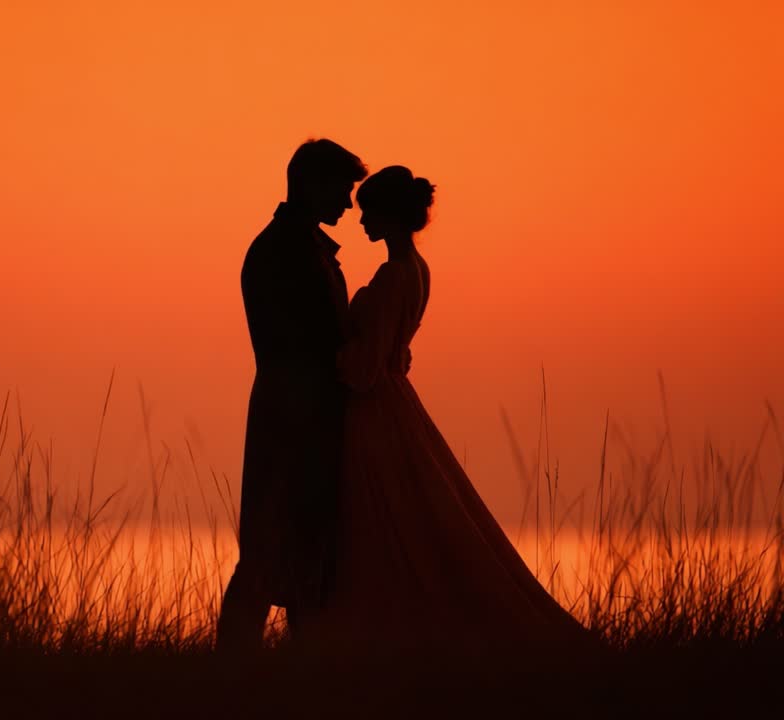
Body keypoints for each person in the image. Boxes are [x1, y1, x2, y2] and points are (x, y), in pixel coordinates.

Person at [327, 165, 595, 657]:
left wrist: (331, 355)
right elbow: (397, 351)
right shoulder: (417, 270)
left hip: (375, 410)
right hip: (398, 399)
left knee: (381, 520)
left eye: (368, 214)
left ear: (388, 216)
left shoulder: (390, 276)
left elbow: (366, 367)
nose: (361, 222)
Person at [215, 139, 367, 653]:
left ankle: (302, 664)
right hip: (291, 415)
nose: (348, 204)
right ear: (311, 185)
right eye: (342, 190)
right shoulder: (285, 249)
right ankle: (235, 666)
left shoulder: (296, 245)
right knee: (269, 547)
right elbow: (310, 339)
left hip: (299, 411)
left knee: (305, 546)